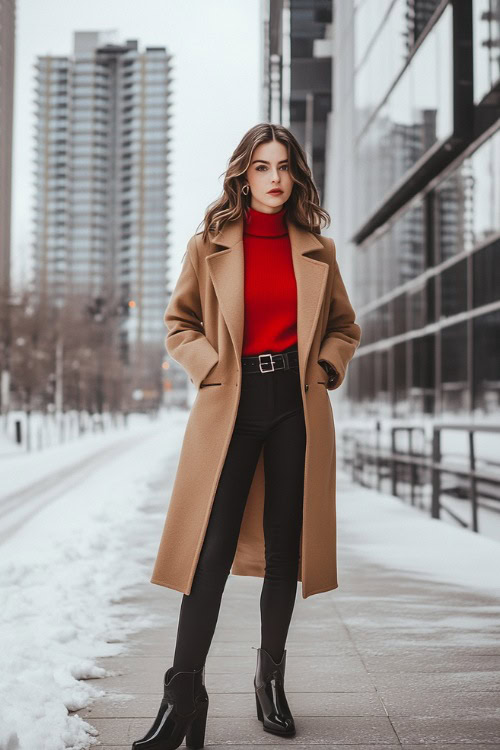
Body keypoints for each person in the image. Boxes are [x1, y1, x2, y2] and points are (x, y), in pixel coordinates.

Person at [132, 123, 361, 750]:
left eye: (285, 166)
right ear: (244, 174)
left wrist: (322, 366)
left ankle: (271, 680)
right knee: (209, 549)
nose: (275, 178)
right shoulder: (208, 245)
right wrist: (211, 368)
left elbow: (345, 326)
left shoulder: (318, 249)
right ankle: (183, 692)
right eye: (263, 167)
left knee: (285, 550)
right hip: (229, 405)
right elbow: (179, 324)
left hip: (294, 404)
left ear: (297, 174)